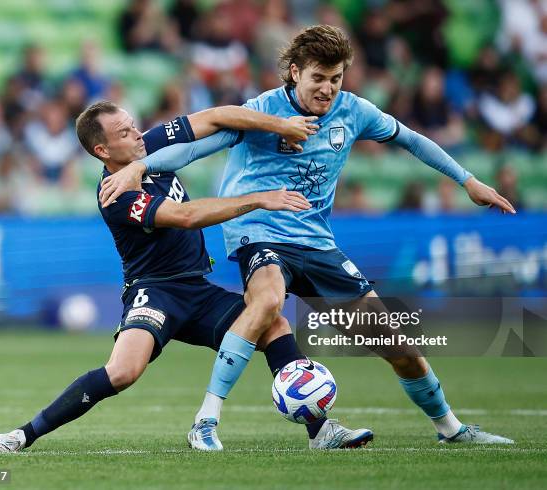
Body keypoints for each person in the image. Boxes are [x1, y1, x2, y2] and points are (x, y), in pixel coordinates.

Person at [100, 25, 516, 448]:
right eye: (319, 78)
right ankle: (207, 419)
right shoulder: (263, 112)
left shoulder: (353, 112)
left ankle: (450, 428)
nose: (328, 89)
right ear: (295, 72)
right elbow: (193, 149)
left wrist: (467, 180)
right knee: (266, 301)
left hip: (317, 241)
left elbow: (411, 139)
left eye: (336, 79)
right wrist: (140, 167)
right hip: (259, 232)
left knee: (396, 344)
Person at [0, 100, 372, 453]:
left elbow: (217, 116)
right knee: (123, 371)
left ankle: (321, 432)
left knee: (273, 323)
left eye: (133, 125)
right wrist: (259, 198)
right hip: (155, 292)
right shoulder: (114, 196)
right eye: (124, 133)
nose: (137, 134)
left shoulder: (145, 148)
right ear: (102, 151)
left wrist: (279, 125)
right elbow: (186, 216)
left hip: (197, 289)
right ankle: (21, 436)